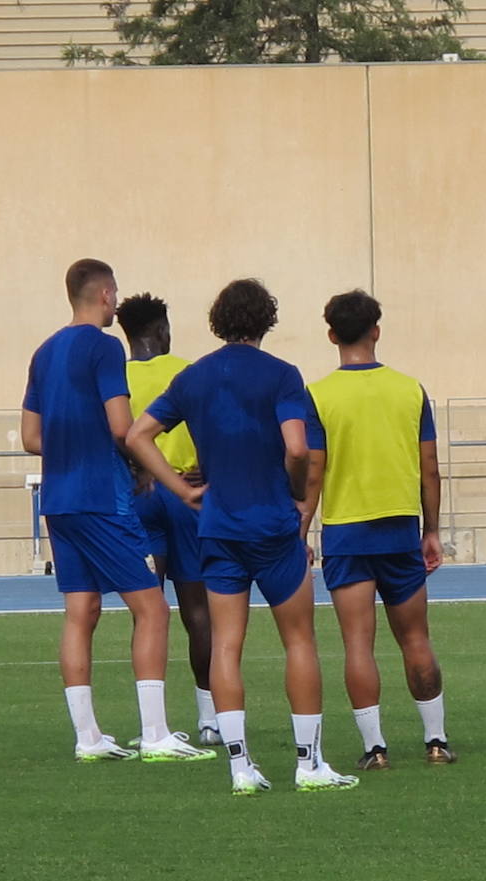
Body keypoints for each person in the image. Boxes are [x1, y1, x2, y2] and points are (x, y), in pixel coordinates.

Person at [127, 279, 358, 795]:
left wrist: (181, 491)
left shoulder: (194, 377)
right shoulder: (282, 375)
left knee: (226, 645)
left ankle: (240, 767)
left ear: (218, 320)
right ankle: (309, 763)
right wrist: (298, 496)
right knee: (299, 640)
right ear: (266, 320)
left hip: (219, 527)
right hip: (273, 524)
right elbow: (297, 448)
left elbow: (136, 434)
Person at [21, 259, 213, 763]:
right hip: (102, 497)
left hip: (59, 499)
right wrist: (145, 467)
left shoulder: (43, 353)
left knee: (80, 612)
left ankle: (88, 737)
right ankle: (154, 733)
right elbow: (121, 426)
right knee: (152, 607)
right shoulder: (105, 348)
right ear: (105, 294)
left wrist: (73, 449)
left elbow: (30, 437)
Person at [299, 289, 454, 770]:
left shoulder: (319, 394)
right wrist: (431, 528)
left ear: (330, 335)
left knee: (357, 643)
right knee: (415, 638)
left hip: (347, 532)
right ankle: (435, 740)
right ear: (377, 330)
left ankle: (376, 748)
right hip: (399, 528)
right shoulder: (410, 389)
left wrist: (300, 531)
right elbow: (430, 467)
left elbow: (313, 471)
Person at [118, 292, 219, 745]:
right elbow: (210, 427)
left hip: (137, 498)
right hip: (186, 495)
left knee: (147, 612)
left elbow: (115, 434)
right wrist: (207, 471)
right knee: (198, 612)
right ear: (160, 330)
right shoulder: (186, 371)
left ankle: (151, 725)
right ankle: (211, 718)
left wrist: (135, 470)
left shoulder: (115, 376)